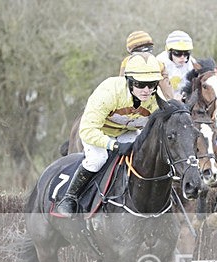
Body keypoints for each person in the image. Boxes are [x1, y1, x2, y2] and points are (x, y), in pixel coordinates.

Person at [54, 54, 164, 217]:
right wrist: (114, 145)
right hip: (98, 132)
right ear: (129, 81)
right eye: (141, 85)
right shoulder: (108, 92)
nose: (147, 90)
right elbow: (87, 130)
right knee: (98, 158)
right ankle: (70, 197)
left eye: (152, 84)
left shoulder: (156, 98)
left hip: (127, 131)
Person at [155, 30, 197, 101]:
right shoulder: (159, 62)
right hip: (163, 101)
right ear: (169, 52)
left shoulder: (192, 64)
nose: (183, 57)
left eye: (186, 53)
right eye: (178, 53)